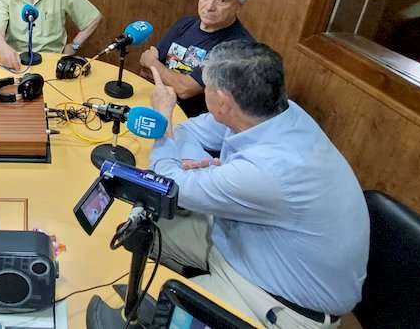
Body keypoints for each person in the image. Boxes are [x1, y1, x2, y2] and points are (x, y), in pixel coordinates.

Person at [147, 41, 369, 328]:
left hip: (276, 301)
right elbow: (188, 131)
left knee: (151, 314)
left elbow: (168, 184)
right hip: (240, 244)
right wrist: (200, 169)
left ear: (222, 101)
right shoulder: (271, 112)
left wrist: (163, 117)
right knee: (137, 226)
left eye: (207, 86)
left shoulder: (270, 170)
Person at [140, 0, 254, 117]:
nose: (209, 6)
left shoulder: (239, 47)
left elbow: (185, 89)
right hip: (157, 104)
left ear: (239, 6)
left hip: (191, 121)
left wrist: (153, 63)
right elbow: (145, 71)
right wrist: (156, 69)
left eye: (222, 0)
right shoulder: (185, 23)